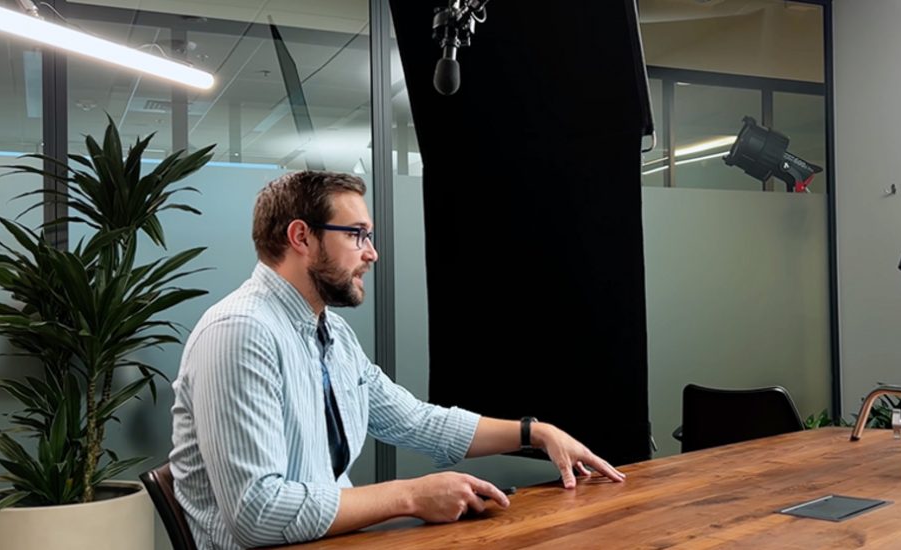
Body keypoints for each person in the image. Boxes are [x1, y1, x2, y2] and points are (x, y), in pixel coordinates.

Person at [169, 170, 625, 549]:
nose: (372, 253)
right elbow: (258, 514)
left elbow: (415, 421)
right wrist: (410, 496)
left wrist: (534, 433)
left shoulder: (332, 334)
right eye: (357, 235)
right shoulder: (240, 333)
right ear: (301, 237)